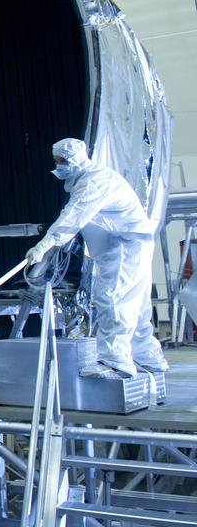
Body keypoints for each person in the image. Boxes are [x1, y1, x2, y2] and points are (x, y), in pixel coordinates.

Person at [26, 138, 168, 379]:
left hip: (123, 245)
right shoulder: (88, 178)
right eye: (56, 161)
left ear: (76, 159)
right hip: (131, 244)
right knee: (136, 305)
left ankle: (115, 362)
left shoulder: (94, 182)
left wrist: (44, 244)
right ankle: (148, 358)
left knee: (113, 299)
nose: (58, 166)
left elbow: (73, 217)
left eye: (63, 161)